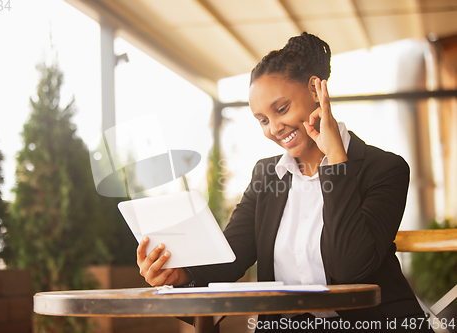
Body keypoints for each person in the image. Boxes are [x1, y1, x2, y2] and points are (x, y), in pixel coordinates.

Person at [136, 32, 433, 332]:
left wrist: (336, 161)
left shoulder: (384, 169)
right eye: (262, 120)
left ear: (316, 91)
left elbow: (351, 269)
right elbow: (230, 258)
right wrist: (181, 275)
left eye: (281, 109)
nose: (274, 129)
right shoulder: (267, 176)